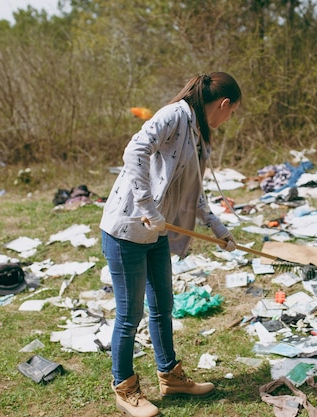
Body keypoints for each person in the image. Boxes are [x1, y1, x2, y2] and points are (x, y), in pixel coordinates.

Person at [100, 72, 241, 417]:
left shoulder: (198, 132)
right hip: (128, 229)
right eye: (232, 111)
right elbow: (135, 150)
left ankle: (171, 377)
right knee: (129, 315)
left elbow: (194, 191)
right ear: (223, 104)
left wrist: (218, 228)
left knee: (163, 306)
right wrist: (147, 206)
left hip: (157, 232)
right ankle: (125, 388)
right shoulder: (174, 115)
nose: (230, 118)